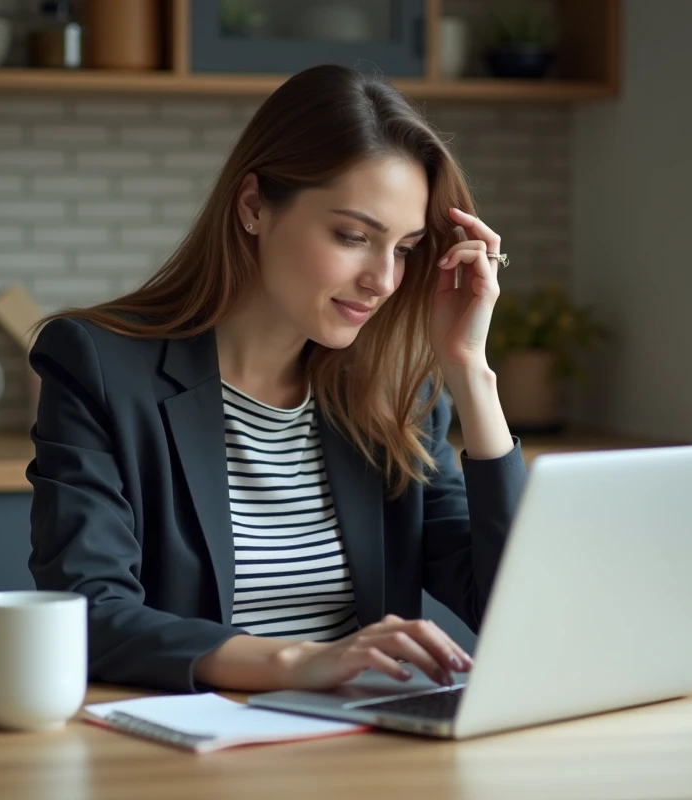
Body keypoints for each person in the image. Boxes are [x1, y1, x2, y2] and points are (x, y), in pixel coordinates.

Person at [26, 64, 527, 695]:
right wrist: (297, 662)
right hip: (187, 742)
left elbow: (515, 611)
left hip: (367, 741)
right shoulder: (99, 366)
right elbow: (88, 613)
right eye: (353, 236)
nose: (384, 280)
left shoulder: (395, 397)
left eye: (404, 249)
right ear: (254, 206)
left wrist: (470, 371)